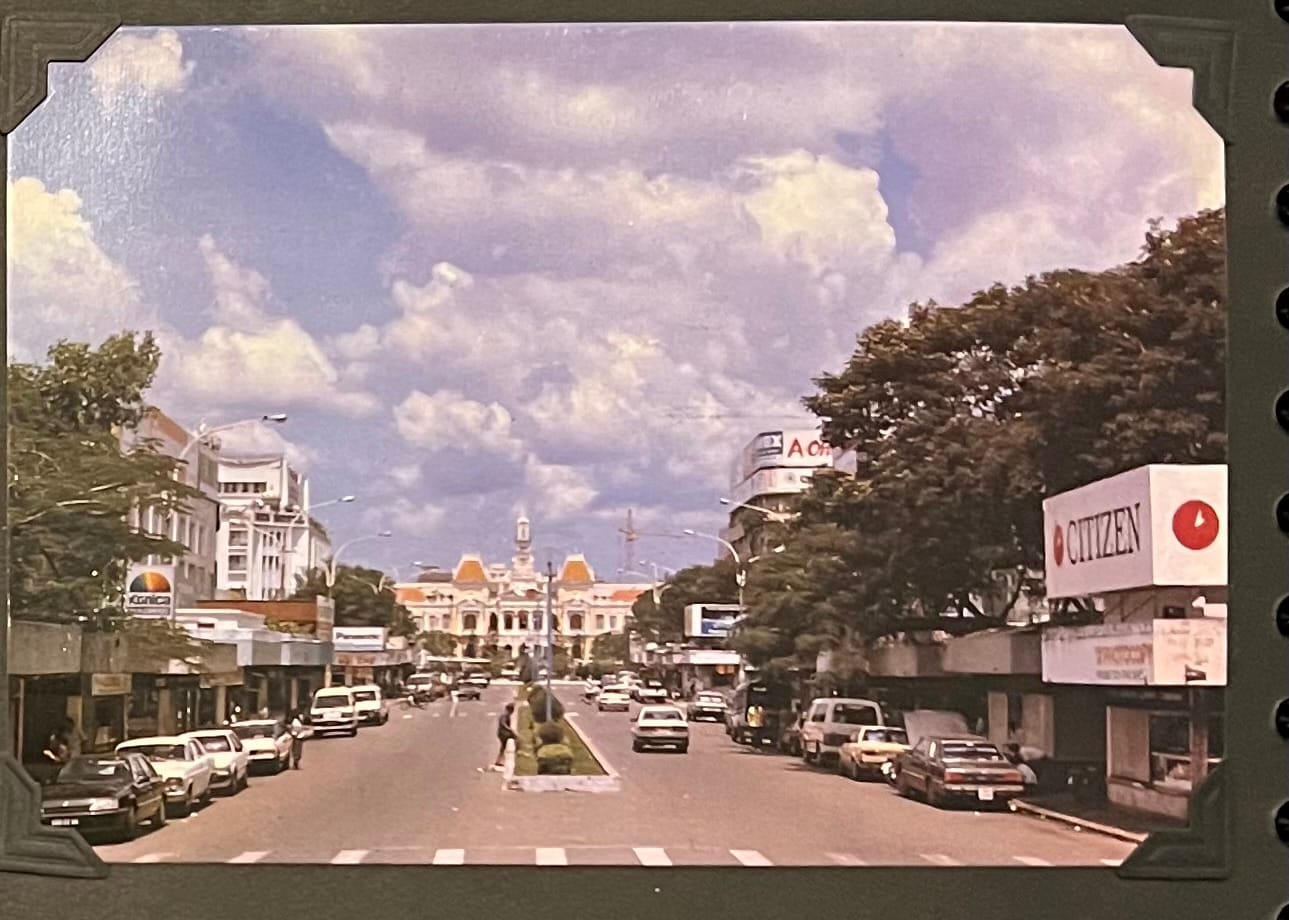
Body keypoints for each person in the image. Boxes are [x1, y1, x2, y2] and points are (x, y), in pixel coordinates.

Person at [495, 703, 517, 768]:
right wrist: (511, 730)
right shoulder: (505, 715)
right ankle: (499, 760)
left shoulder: (506, 715)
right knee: (516, 739)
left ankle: (499, 760)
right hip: (503, 734)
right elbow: (503, 724)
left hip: (503, 733)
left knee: (503, 748)